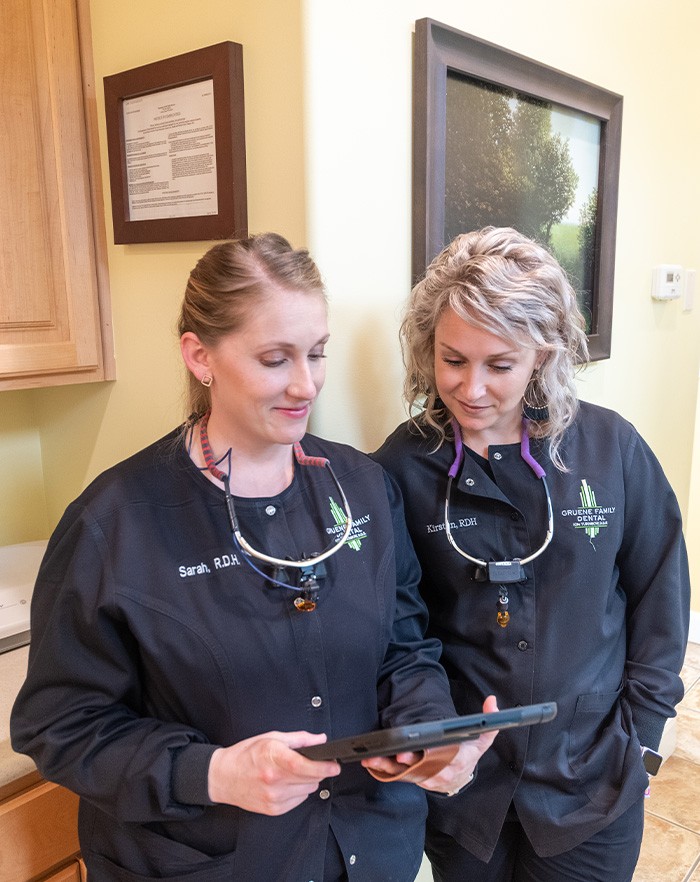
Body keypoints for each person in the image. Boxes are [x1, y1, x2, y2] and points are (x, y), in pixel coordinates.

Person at [11, 233, 498, 881]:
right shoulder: (114, 524)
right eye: (275, 358)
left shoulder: (365, 489)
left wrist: (425, 732)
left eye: (317, 354)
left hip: (369, 848)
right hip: (209, 861)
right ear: (199, 355)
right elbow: (60, 726)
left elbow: (404, 649)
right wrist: (211, 773)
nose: (306, 383)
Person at [372, 226, 690, 882]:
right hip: (467, 789)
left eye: (500, 364)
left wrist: (644, 743)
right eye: (453, 359)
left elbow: (662, 597)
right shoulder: (402, 467)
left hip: (592, 778)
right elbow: (398, 628)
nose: (472, 389)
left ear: (543, 356)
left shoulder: (610, 451)